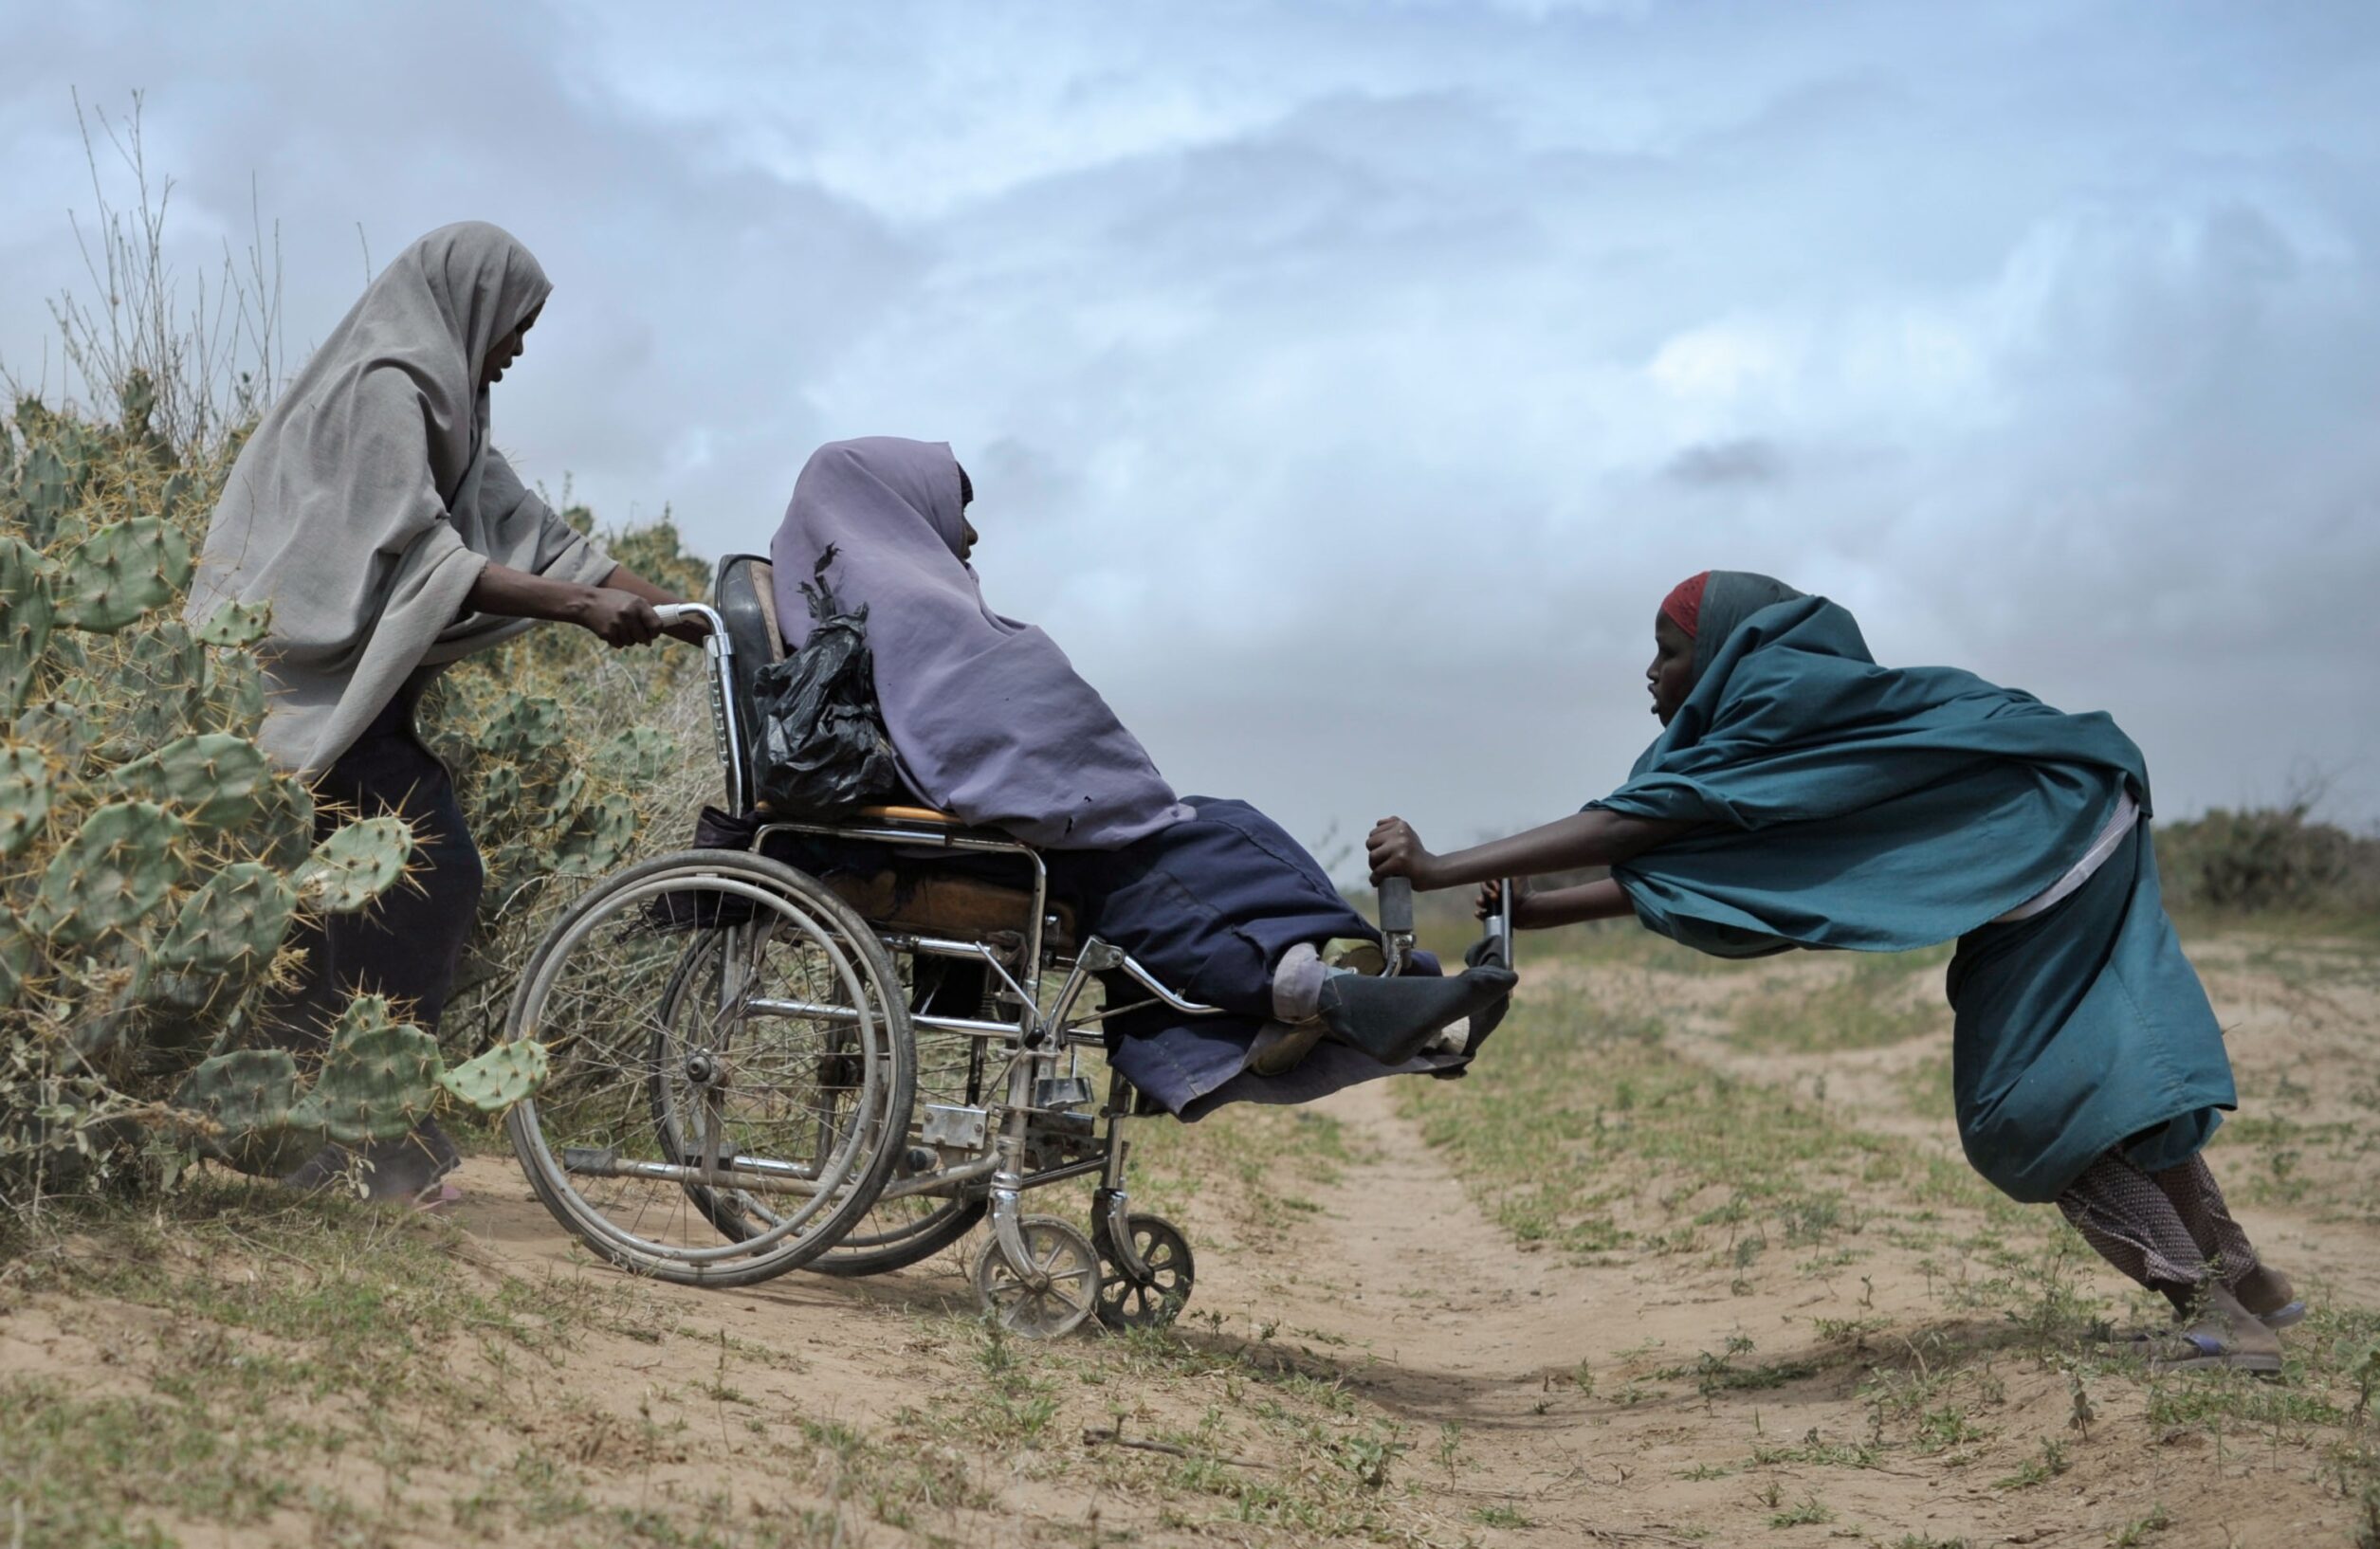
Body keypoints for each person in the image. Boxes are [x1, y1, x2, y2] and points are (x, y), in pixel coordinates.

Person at [1366, 570, 2298, 1374]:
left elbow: (1632, 825)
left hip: (2046, 834)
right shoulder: (1785, 717)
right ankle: (2251, 1284)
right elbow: (1718, 862)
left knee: (2029, 1109)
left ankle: (2216, 1317)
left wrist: (1439, 865)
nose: (1650, 672)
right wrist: (1536, 908)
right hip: (2079, 809)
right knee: (2105, 1091)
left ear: (1725, 651)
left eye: (1669, 649)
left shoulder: (1769, 708)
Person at [766, 437, 1514, 1119]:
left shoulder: (877, 598)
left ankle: (1376, 980)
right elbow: (964, 733)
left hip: (1000, 815)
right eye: (959, 509)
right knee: (1148, 877)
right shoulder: (902, 606)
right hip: (970, 831)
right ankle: (1318, 995)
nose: (972, 532)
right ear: (897, 508)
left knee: (1222, 822)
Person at [189, 221, 703, 1205]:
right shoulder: (385, 385)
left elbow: (546, 540)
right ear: (467, 303)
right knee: (427, 872)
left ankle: (302, 1137)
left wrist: (689, 616)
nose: (514, 348)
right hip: (302, 688)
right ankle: (375, 1142)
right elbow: (420, 551)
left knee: (336, 911)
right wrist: (576, 608)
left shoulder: (452, 408)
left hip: (362, 698)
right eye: (514, 325)